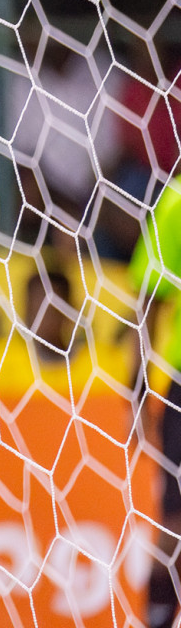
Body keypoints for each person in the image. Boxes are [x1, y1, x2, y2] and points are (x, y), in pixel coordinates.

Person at [131, 178, 181, 628]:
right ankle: (158, 619)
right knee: (176, 523)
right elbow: (147, 299)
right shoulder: (178, 202)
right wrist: (138, 387)